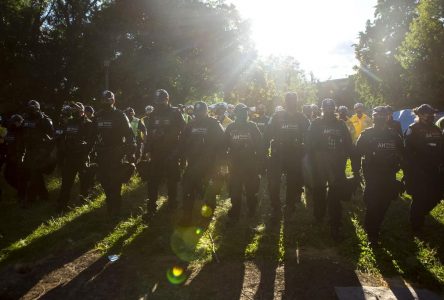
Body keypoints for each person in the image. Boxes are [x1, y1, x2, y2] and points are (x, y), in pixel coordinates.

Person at [306, 98, 356, 240]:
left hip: (337, 165)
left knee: (335, 194)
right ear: (322, 109)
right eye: (326, 108)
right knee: (319, 191)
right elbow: (308, 143)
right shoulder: (315, 123)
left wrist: (353, 163)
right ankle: (319, 216)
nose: (328, 110)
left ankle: (335, 222)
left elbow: (348, 143)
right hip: (320, 164)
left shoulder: (341, 124)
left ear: (334, 109)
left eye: (331, 108)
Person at [355, 106, 404, 244]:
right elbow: (356, 153)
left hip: (389, 175)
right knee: (372, 203)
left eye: (383, 116)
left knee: (385, 202)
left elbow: (403, 154)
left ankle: (375, 225)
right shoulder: (367, 134)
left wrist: (405, 172)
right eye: (377, 116)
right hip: (372, 175)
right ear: (373, 117)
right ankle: (372, 233)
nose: (380, 119)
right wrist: (356, 172)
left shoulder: (394, 135)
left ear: (387, 117)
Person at [265, 92, 310, 219]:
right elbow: (267, 134)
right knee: (273, 182)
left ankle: (289, 206)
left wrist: (307, 152)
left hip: (295, 155)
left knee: (293, 183)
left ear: (297, 102)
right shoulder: (276, 116)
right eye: (289, 101)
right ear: (285, 102)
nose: (291, 103)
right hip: (277, 154)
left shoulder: (302, 118)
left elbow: (309, 136)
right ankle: (275, 207)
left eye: (293, 101)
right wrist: (263, 152)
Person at [180, 101, 225, 224]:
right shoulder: (191, 124)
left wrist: (219, 163)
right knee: (187, 188)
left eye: (201, 112)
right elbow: (183, 142)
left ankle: (207, 215)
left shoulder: (214, 124)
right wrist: (182, 159)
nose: (199, 114)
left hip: (210, 165)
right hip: (193, 163)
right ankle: (187, 215)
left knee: (209, 191)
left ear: (206, 112)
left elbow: (223, 143)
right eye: (197, 112)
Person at [143, 89, 186, 220]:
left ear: (167, 99)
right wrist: (147, 150)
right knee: (153, 180)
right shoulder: (153, 114)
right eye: (157, 101)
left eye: (162, 100)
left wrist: (178, 151)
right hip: (157, 153)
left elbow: (184, 131)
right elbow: (148, 133)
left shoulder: (175, 112)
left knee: (172, 180)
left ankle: (172, 204)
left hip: (171, 152)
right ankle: (151, 206)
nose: (159, 103)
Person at [94, 91, 136, 217]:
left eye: (108, 100)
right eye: (103, 100)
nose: (106, 102)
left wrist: (130, 153)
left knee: (115, 182)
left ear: (113, 101)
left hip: (115, 153)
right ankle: (109, 204)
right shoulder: (98, 115)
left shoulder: (119, 115)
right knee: (104, 180)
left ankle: (115, 208)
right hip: (101, 153)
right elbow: (92, 134)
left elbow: (129, 135)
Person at [404, 104, 444, 233]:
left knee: (437, 195)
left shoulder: (436, 130)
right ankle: (416, 226)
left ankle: (421, 213)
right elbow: (407, 153)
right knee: (419, 198)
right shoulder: (413, 129)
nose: (431, 115)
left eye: (432, 113)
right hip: (418, 170)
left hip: (434, 170)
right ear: (419, 115)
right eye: (428, 113)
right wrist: (410, 172)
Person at [225, 103, 263, 221]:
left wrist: (260, 162)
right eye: (241, 112)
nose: (245, 114)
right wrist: (225, 160)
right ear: (236, 114)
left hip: (250, 165)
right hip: (235, 165)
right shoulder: (230, 127)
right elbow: (223, 145)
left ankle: (252, 210)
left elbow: (260, 145)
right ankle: (235, 210)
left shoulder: (252, 126)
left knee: (251, 190)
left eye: (246, 112)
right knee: (235, 190)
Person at [56, 102, 95, 212]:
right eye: (74, 109)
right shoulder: (70, 122)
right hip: (69, 157)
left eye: (77, 109)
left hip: (82, 157)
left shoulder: (89, 123)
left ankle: (83, 203)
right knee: (66, 182)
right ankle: (62, 205)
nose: (75, 111)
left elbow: (91, 141)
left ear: (82, 110)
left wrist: (85, 151)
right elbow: (63, 137)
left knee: (84, 181)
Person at [22, 100, 55, 207]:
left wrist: (45, 152)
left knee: (35, 173)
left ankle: (30, 199)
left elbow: (52, 137)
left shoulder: (45, 120)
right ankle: (44, 196)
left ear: (38, 108)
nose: (31, 110)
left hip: (40, 150)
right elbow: (23, 133)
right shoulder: (26, 119)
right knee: (33, 174)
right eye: (30, 108)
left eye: (33, 108)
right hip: (29, 151)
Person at [3, 115, 25, 202]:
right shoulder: (9, 131)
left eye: (16, 122)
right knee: (7, 175)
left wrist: (21, 157)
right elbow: (7, 143)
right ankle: (21, 191)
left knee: (19, 176)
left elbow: (23, 146)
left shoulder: (23, 131)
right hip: (10, 157)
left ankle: (22, 194)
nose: (14, 124)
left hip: (19, 157)